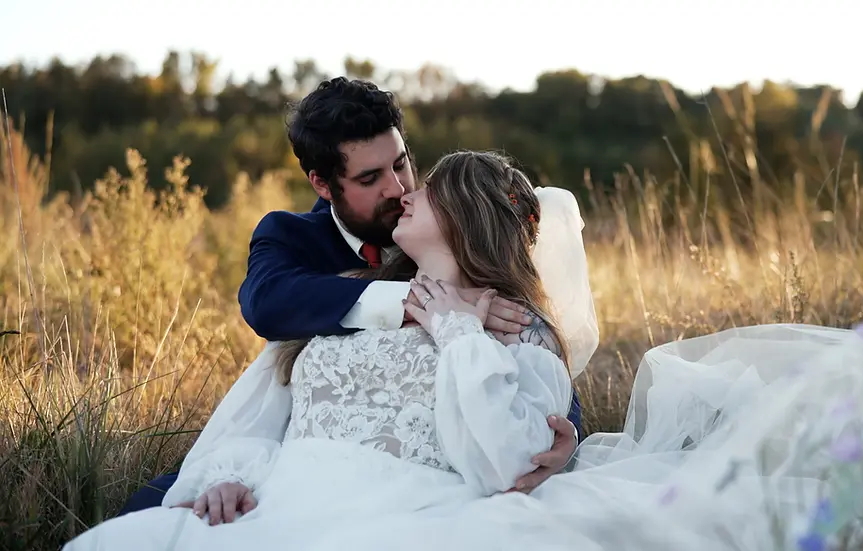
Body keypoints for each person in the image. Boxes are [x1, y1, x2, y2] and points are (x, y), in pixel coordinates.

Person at [65, 151, 863, 551]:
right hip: (273, 495)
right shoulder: (353, 302)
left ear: (460, 221)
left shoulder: (509, 330)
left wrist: (467, 327)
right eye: (387, 182)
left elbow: (503, 457)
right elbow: (270, 406)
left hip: (405, 509)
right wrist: (224, 474)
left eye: (422, 186)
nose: (403, 195)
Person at [116, 77, 582, 516]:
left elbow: (532, 342)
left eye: (401, 163)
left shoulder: (441, 223)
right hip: (287, 460)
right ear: (323, 183)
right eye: (370, 178)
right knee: (141, 519)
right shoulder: (293, 237)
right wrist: (411, 302)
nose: (398, 189)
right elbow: (267, 305)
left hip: (414, 489)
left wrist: (564, 433)